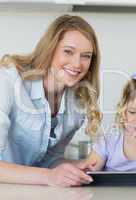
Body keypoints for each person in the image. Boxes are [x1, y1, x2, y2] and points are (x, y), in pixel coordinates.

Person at [0, 14, 102, 187]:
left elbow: (48, 160)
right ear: (50, 49)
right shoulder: (8, 80)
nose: (77, 64)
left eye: (86, 56)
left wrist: (76, 168)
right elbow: (47, 174)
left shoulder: (78, 100)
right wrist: (49, 177)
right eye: (68, 51)